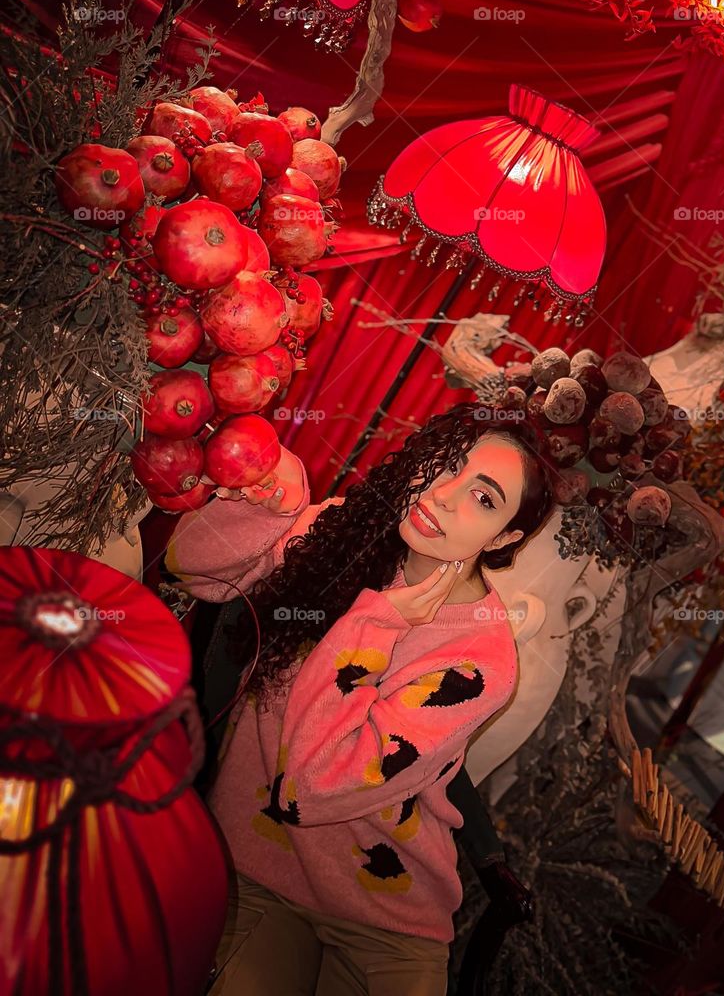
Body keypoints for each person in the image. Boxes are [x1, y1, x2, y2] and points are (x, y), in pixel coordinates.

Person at [165, 402, 554, 996]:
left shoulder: (483, 661)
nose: (445, 495)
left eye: (484, 498)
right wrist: (270, 502)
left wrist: (376, 624)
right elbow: (191, 567)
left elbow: (316, 783)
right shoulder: (343, 532)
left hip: (386, 914)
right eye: (445, 464)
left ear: (505, 536)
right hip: (257, 869)